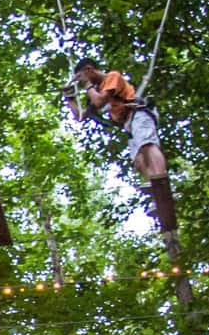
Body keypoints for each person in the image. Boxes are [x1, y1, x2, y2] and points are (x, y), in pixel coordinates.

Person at [70, 58, 176, 228]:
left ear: (89, 69)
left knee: (147, 145)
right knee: (139, 161)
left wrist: (88, 86)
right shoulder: (97, 89)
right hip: (129, 124)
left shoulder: (112, 77)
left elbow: (100, 101)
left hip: (139, 113)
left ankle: (161, 179)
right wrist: (70, 99)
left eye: (82, 76)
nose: (82, 82)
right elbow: (80, 116)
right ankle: (157, 194)